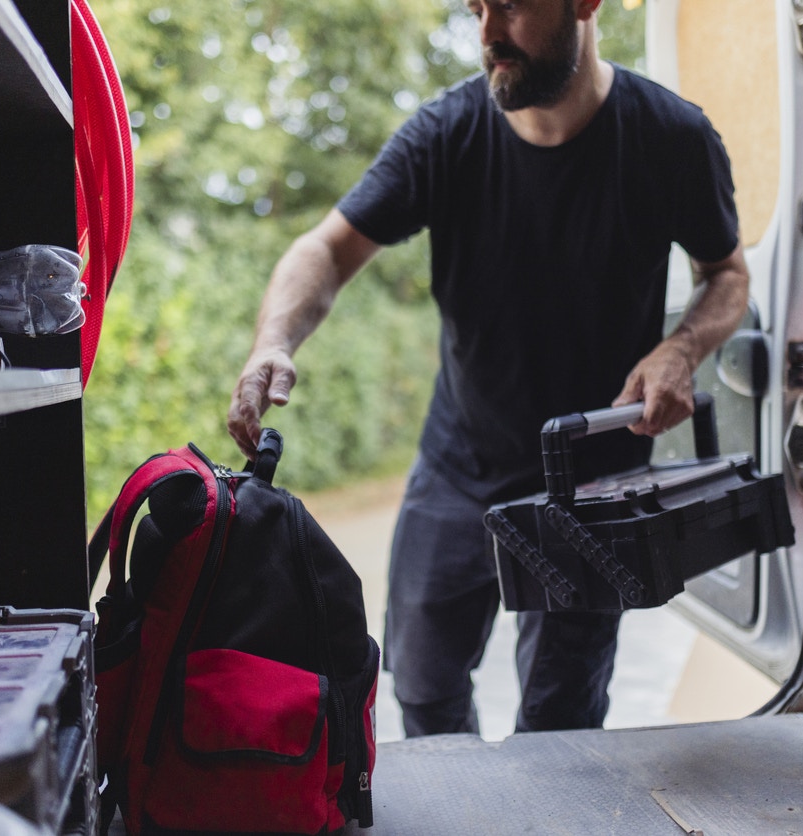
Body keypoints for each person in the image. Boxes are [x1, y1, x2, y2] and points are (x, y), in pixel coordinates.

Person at [228, 0, 749, 737]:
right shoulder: (443, 134)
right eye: (474, 7)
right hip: (458, 465)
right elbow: (325, 250)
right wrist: (272, 341)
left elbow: (725, 273)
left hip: (592, 483)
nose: (486, 33)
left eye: (509, 5)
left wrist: (681, 348)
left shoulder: (672, 136)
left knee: (560, 719)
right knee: (421, 687)